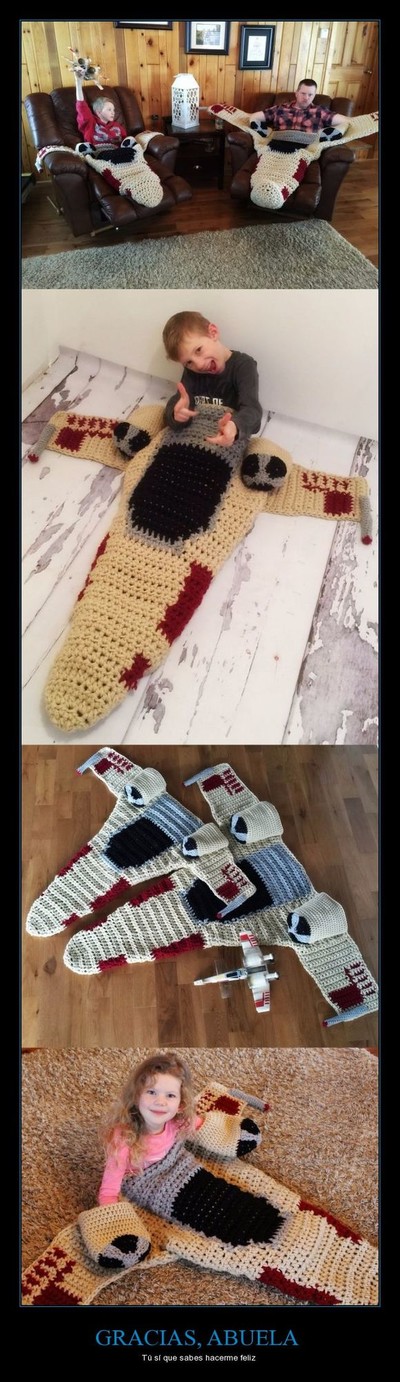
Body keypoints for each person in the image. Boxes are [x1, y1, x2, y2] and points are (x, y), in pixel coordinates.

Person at [98, 1053, 202, 1203]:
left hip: (169, 1169)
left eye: (170, 1096)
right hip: (140, 1180)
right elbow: (109, 1191)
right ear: (136, 1096)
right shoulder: (123, 1138)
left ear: (181, 1104)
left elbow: (203, 1125)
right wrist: (110, 1211)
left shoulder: (177, 1121)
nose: (160, 1102)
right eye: (151, 1092)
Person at [163, 311, 262, 447]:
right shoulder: (191, 372)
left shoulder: (243, 366)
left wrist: (235, 427)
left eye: (198, 350)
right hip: (194, 436)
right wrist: (176, 415)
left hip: (226, 439)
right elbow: (181, 401)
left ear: (213, 333)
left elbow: (252, 411)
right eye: (189, 362)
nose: (199, 365)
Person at [251, 78, 349, 136]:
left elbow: (346, 121)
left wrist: (325, 134)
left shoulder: (320, 111)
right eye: (303, 93)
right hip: (278, 145)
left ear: (314, 95)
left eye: (310, 95)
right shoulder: (280, 109)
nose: (306, 98)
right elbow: (254, 117)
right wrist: (267, 133)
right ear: (296, 93)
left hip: (305, 150)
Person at [74, 65, 127, 148]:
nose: (113, 112)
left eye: (113, 110)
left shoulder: (117, 126)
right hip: (99, 151)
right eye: (109, 109)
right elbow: (81, 106)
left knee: (132, 143)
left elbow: (125, 141)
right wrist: (78, 82)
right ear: (98, 112)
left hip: (117, 151)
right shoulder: (91, 123)